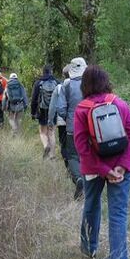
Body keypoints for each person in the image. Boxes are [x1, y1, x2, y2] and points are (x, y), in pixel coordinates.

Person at [73, 64, 130, 259]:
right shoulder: (119, 103)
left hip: (93, 168)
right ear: (106, 81)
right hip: (121, 169)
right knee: (118, 214)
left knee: (91, 205)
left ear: (84, 85)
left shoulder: (82, 109)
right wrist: (121, 166)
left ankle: (89, 249)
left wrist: (104, 169)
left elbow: (81, 148)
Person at [55, 57, 87, 200]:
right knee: (87, 155)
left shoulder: (66, 85)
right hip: (90, 127)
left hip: (72, 127)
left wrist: (69, 118)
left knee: (73, 156)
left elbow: (61, 109)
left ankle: (79, 179)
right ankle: (90, 185)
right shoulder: (90, 84)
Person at [31, 65, 60, 159]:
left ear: (43, 72)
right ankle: (52, 155)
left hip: (42, 110)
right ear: (51, 71)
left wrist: (33, 112)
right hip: (54, 110)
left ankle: (46, 145)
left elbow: (34, 99)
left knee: (43, 132)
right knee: (51, 132)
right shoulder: (57, 82)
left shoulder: (38, 83)